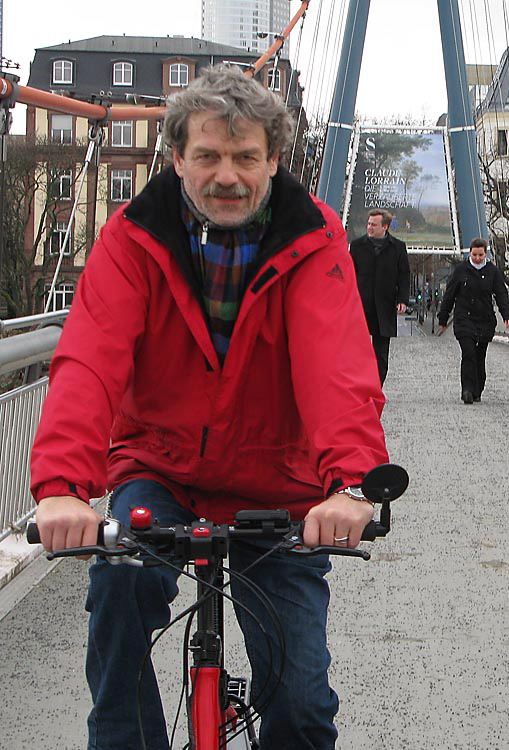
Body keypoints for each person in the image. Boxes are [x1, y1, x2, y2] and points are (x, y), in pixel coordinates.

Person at [29, 64, 388, 750]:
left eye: (246, 157)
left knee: (302, 704)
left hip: (277, 484)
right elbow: (90, 361)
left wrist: (350, 483)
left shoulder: (312, 238)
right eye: (209, 156)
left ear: (274, 160)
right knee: (120, 597)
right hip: (160, 467)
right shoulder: (134, 237)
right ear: (176, 159)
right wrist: (63, 490)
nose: (229, 175)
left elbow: (335, 365)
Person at [437, 238, 509, 404]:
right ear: (469, 253)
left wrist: (506, 314)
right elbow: (450, 295)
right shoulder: (461, 270)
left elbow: (501, 294)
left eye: (481, 255)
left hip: (484, 319)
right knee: (469, 353)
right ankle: (467, 390)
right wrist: (443, 317)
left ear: (486, 254)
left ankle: (478, 388)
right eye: (474, 254)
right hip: (464, 318)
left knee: (480, 355)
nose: (478, 258)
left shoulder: (492, 271)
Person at [349, 209, 411, 384]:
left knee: (381, 352)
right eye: (368, 224)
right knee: (356, 349)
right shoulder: (356, 246)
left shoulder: (398, 247)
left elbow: (404, 274)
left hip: (385, 305)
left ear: (385, 226)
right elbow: (349, 274)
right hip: (361, 304)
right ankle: (358, 384)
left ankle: (376, 386)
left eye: (374, 225)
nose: (369, 227)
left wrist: (402, 299)